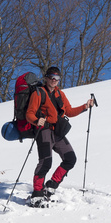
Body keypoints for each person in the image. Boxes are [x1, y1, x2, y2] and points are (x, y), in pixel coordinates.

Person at [26, 66, 94, 207]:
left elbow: (69, 111)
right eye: (52, 77)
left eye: (57, 78)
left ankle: (51, 185)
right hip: (44, 131)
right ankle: (37, 194)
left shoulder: (60, 94)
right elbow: (29, 114)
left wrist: (85, 106)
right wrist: (36, 120)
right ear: (46, 78)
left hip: (57, 131)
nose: (54, 80)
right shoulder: (38, 93)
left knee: (70, 159)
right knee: (45, 163)